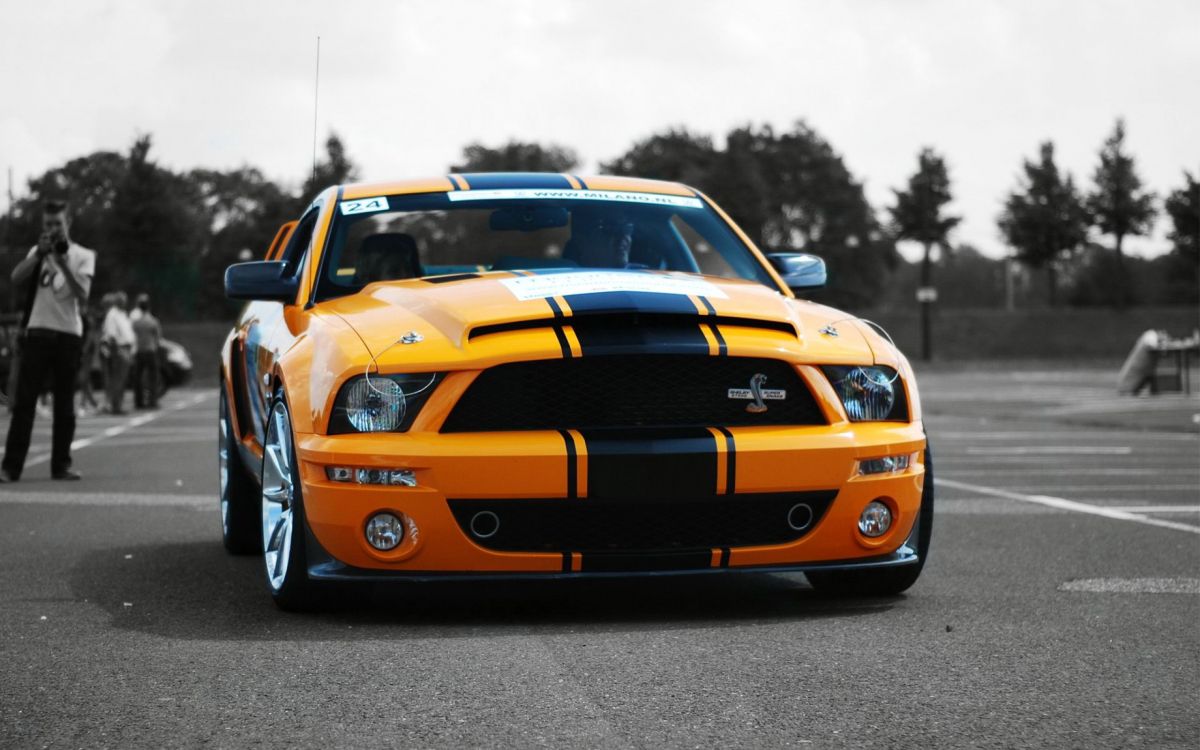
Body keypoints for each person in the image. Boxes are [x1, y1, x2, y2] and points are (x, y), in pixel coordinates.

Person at [1, 200, 95, 482]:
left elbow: (83, 295)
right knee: (25, 403)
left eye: (58, 223)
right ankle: (10, 467)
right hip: (37, 332)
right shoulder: (37, 251)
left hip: (68, 334)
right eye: (48, 225)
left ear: (69, 223)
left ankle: (61, 465)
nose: (53, 229)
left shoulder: (83, 255)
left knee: (64, 403)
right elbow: (16, 277)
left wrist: (62, 263)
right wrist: (39, 255)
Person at [101, 291, 135, 415]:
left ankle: (119, 404)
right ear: (117, 301)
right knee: (118, 379)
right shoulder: (113, 315)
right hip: (119, 349)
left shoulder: (123, 314)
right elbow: (111, 334)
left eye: (125, 300)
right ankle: (116, 406)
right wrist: (118, 351)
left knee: (122, 378)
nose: (124, 302)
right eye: (121, 300)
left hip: (126, 348)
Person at [131, 293, 162, 409]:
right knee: (153, 377)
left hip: (140, 350)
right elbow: (158, 338)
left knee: (138, 377)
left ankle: (138, 401)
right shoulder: (153, 321)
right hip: (150, 350)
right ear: (149, 307)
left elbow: (133, 334)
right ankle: (152, 400)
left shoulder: (136, 322)